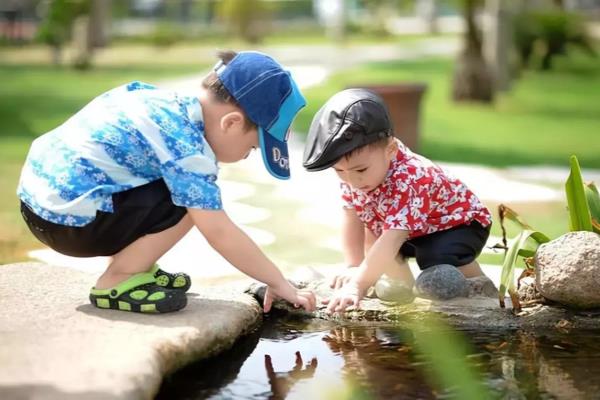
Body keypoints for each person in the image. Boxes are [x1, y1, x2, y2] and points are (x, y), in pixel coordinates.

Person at [17, 50, 316, 314]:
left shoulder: (160, 101)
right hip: (69, 225)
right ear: (232, 123)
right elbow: (219, 232)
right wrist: (277, 281)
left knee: (181, 188)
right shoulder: (186, 148)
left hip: (39, 205)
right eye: (252, 148)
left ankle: (136, 266)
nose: (246, 156)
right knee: (194, 202)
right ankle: (118, 279)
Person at [302, 88, 492, 313]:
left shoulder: (411, 177)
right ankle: (405, 294)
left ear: (390, 149)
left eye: (360, 169)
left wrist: (357, 286)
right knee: (375, 242)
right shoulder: (354, 172)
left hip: (458, 225)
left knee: (434, 256)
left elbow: (393, 238)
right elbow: (352, 216)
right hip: (412, 230)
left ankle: (480, 288)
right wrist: (354, 265)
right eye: (340, 171)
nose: (352, 180)